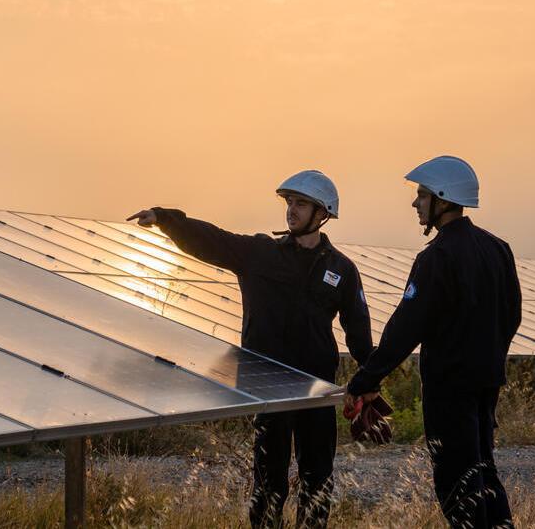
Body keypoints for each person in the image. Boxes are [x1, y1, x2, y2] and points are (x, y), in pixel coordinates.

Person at [128, 170, 371, 528]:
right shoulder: (260, 253)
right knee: (269, 484)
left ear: (323, 213)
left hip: (317, 390)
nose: (291, 210)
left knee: (318, 480)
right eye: (289, 202)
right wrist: (167, 220)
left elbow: (359, 332)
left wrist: (367, 383)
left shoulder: (341, 270)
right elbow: (213, 241)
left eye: (300, 203)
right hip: (268, 388)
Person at [344, 156, 521, 528]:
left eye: (422, 195)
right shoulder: (498, 249)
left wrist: (365, 380)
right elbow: (513, 316)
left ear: (442, 198)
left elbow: (405, 329)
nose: (415, 203)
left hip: (449, 389)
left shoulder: (436, 257)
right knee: (484, 472)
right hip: (488, 384)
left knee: (457, 481)